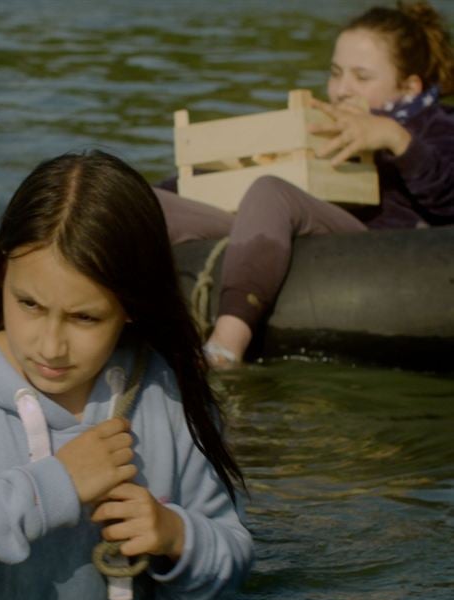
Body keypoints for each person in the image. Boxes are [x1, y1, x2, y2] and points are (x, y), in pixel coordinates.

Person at [0, 150, 253, 600]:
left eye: (85, 317)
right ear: (2, 271)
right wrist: (51, 488)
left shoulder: (167, 396)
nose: (50, 345)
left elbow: (224, 582)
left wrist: (178, 538)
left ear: (132, 307)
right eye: (29, 304)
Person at [157, 0, 454, 367]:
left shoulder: (437, 126)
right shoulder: (320, 124)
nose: (342, 89)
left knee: (271, 190)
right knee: (155, 200)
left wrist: (395, 138)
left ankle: (225, 345)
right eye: (335, 73)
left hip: (369, 252)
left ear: (409, 86)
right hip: (285, 236)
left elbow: (447, 199)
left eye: (361, 77)